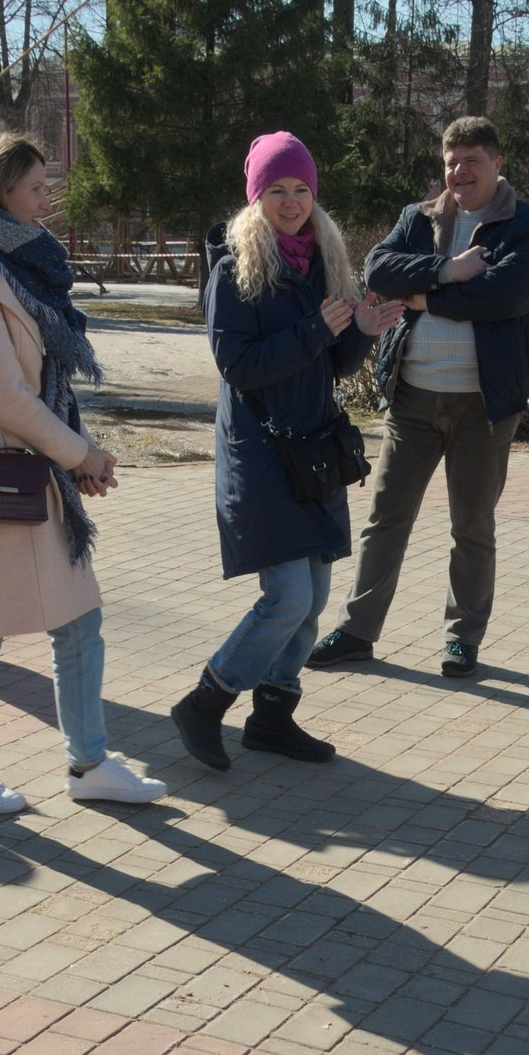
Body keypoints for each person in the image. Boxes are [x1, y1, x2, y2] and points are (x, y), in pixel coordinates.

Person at [0, 128, 167, 813]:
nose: (47, 197)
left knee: (78, 622)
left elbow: (42, 383)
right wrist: (82, 455)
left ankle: (90, 763)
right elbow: (8, 398)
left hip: (33, 469)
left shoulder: (10, 259)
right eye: (35, 186)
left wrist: (72, 454)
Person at [173, 133, 403, 770]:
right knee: (288, 598)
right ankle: (206, 700)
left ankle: (273, 714)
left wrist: (358, 334)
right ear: (256, 197)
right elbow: (238, 365)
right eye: (277, 189)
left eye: (301, 189)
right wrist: (313, 330)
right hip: (261, 451)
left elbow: (329, 363)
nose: (292, 201)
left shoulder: (322, 260)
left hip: (315, 448)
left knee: (317, 590)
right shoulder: (234, 270)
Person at [307, 116, 529, 679]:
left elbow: (507, 296)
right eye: (451, 161)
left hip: (483, 406)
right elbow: (378, 269)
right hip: (412, 398)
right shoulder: (416, 219)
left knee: (471, 526)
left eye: (472, 159)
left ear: (498, 165)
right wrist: (451, 268)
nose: (460, 171)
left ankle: (461, 639)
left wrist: (426, 299)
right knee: (385, 518)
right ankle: (357, 630)